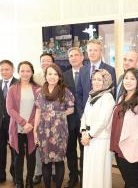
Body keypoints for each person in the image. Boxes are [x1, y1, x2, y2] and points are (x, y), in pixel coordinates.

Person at [110, 68, 138, 188]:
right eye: (126, 78)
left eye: (132, 78)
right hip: (118, 147)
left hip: (132, 149)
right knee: (128, 181)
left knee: (133, 183)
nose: (128, 81)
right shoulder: (122, 97)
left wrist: (137, 139)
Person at [34, 63, 75, 188]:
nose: (52, 77)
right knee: (45, 162)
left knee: (59, 161)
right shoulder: (39, 92)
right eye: (50, 74)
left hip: (60, 130)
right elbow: (38, 111)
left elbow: (71, 109)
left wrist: (57, 114)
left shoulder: (65, 91)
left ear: (59, 76)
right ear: (45, 76)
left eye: (55, 74)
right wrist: (35, 131)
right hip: (43, 130)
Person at [6, 61, 40, 188]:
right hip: (17, 128)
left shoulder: (38, 89)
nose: (25, 73)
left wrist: (30, 124)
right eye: (22, 71)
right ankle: (18, 183)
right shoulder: (12, 89)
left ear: (32, 72)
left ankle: (29, 182)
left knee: (31, 157)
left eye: (28, 71)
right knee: (17, 158)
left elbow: (38, 109)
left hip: (32, 129)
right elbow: (10, 109)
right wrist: (23, 123)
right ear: (18, 72)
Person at [80, 69, 115, 188]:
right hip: (88, 138)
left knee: (99, 171)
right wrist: (84, 132)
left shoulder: (108, 97)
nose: (96, 82)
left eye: (100, 79)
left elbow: (103, 121)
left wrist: (89, 135)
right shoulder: (91, 95)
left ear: (106, 81)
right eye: (94, 79)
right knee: (90, 170)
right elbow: (84, 115)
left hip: (101, 140)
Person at [76, 39, 116, 117]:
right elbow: (79, 93)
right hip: (85, 114)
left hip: (103, 115)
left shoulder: (110, 70)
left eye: (95, 50)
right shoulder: (82, 70)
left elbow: (113, 93)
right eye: (90, 50)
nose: (92, 53)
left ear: (101, 52)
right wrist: (81, 113)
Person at [32, 53, 55, 185]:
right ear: (40, 63)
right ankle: (38, 172)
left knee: (54, 144)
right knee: (39, 147)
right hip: (39, 117)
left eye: (48, 60)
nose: (45, 62)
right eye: (43, 61)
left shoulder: (56, 75)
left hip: (54, 120)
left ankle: (53, 172)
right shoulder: (35, 77)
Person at [63, 47, 84, 188]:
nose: (74, 58)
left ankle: (84, 176)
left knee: (85, 150)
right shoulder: (64, 76)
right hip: (69, 119)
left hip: (85, 118)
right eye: (71, 56)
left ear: (82, 57)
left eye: (76, 55)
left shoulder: (89, 72)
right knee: (70, 149)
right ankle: (73, 176)